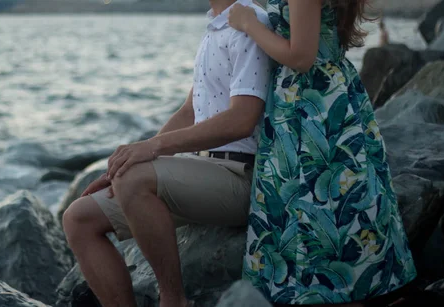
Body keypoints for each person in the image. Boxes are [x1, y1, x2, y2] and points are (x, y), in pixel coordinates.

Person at [62, 1, 272, 306]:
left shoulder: (249, 23)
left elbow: (242, 120)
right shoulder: (216, 25)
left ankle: (173, 299)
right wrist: (128, 164)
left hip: (241, 177)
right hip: (201, 172)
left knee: (134, 180)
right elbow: (190, 111)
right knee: (78, 218)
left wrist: (152, 149)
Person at [228, 1, 417, 306]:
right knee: (328, 204)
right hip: (318, 96)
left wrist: (250, 24)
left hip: (313, 103)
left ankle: (322, 292)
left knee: (318, 204)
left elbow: (301, 57)